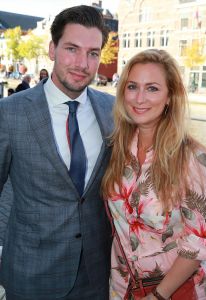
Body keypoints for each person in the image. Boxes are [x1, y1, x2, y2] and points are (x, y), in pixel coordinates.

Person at [0, 5, 114, 300]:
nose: (83, 63)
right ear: (52, 49)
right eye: (72, 49)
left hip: (97, 274)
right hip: (31, 274)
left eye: (93, 52)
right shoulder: (10, 113)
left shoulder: (112, 111)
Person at [102, 49, 206, 299]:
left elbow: (199, 241)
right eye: (132, 86)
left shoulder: (191, 158)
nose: (139, 98)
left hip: (173, 290)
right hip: (121, 287)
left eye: (152, 88)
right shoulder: (117, 149)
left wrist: (159, 295)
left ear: (170, 96)